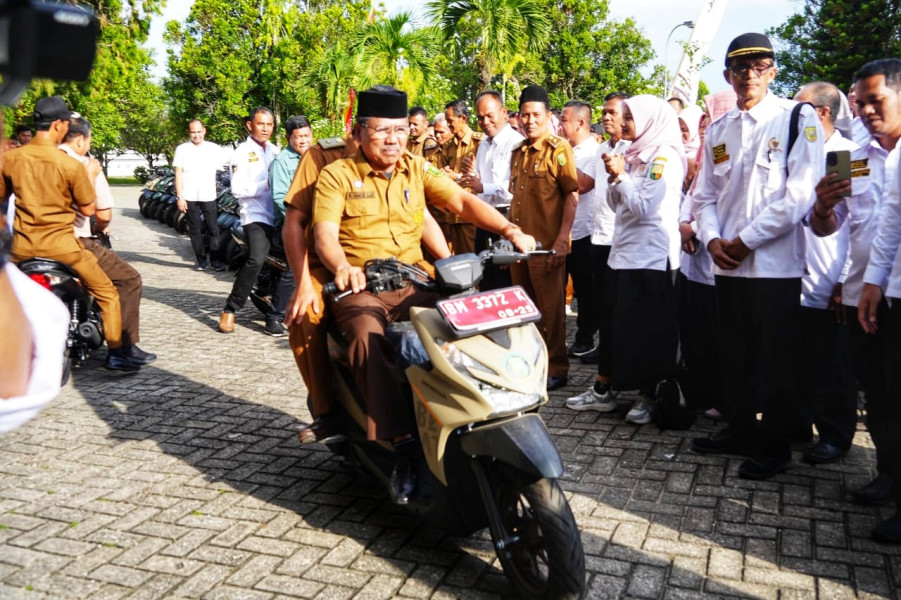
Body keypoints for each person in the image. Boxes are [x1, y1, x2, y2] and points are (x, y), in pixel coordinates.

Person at [312, 85, 536, 503]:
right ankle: (403, 447)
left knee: (467, 323)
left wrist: (509, 229)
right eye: (382, 131)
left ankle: (474, 413)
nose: (393, 139)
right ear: (360, 133)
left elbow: (462, 202)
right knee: (366, 339)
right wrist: (342, 266)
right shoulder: (337, 175)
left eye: (400, 130)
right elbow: (324, 233)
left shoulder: (416, 167)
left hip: (414, 280)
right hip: (362, 287)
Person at [690, 33, 825, 479]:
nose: (750, 74)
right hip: (728, 265)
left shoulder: (795, 118)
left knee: (776, 360)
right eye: (740, 68)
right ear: (727, 75)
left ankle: (775, 446)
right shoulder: (721, 129)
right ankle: (741, 429)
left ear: (772, 72)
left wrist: (746, 239)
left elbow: (800, 195)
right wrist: (712, 240)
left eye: (759, 66)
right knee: (735, 355)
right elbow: (705, 196)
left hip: (774, 265)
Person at [815, 58, 901, 541]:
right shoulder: (847, 156)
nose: (866, 110)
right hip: (862, 294)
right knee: (880, 394)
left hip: (896, 290)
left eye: (876, 100)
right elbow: (829, 226)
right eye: (860, 102)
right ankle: (888, 473)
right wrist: (822, 206)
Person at [566, 95, 683, 425]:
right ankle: (604, 390)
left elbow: (644, 207)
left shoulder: (664, 158)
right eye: (625, 116)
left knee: (646, 330)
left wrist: (621, 177)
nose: (624, 122)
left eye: (630, 117)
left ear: (649, 121)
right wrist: (616, 178)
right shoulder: (630, 153)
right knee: (614, 325)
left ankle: (646, 396)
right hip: (622, 254)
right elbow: (616, 205)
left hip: (650, 258)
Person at [2, 96, 135, 371]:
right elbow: (87, 209)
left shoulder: (11, 158)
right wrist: (89, 176)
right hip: (63, 248)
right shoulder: (70, 165)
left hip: (22, 249)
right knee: (107, 293)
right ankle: (116, 354)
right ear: (59, 125)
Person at [792, 82, 857, 465]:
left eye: (799, 108)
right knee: (797, 357)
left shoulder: (843, 155)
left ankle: (834, 434)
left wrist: (846, 278)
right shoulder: (799, 150)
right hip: (793, 271)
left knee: (831, 362)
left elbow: (855, 222)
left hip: (827, 273)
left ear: (822, 113)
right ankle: (798, 422)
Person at [60, 115, 156, 366]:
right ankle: (122, 348)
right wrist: (99, 230)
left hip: (31, 245)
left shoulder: (34, 160)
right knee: (128, 279)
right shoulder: (86, 165)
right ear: (81, 139)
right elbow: (102, 215)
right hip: (76, 242)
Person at [507, 85, 580, 391]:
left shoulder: (558, 149)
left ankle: (557, 368)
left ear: (549, 116)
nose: (530, 121)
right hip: (520, 249)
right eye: (525, 115)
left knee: (551, 312)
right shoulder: (518, 152)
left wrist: (563, 240)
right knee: (524, 312)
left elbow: (571, 195)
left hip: (546, 248)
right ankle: (532, 365)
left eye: (536, 115)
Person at [677, 89, 736, 419]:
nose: (704, 126)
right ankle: (701, 391)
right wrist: (684, 225)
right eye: (703, 120)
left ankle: (723, 397)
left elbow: (726, 203)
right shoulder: (707, 152)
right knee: (696, 331)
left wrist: (695, 228)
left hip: (719, 256)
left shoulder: (730, 152)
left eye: (709, 119)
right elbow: (695, 197)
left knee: (719, 336)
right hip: (694, 259)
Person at [578, 93, 631, 366]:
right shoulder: (601, 149)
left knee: (620, 300)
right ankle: (605, 347)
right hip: (598, 233)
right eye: (605, 112)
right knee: (602, 298)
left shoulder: (632, 149)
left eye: (613, 112)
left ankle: (619, 351)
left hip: (620, 237)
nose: (606, 117)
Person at [218, 108, 280, 334]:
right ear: (250, 125)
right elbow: (238, 189)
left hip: (279, 214)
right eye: (261, 124)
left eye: (269, 124)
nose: (265, 128)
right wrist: (268, 183)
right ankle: (231, 308)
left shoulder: (275, 150)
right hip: (255, 215)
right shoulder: (241, 153)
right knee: (255, 259)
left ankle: (278, 309)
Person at [460, 90, 524, 290]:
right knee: (486, 279)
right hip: (485, 217)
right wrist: (469, 175)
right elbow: (479, 178)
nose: (485, 122)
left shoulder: (515, 142)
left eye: (489, 116)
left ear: (504, 113)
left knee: (505, 280)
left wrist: (482, 186)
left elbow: (514, 189)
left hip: (507, 217)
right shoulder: (484, 144)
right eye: (480, 118)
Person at [265, 115, 314, 338]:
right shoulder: (282, 162)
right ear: (288, 138)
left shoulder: (316, 157)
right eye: (298, 137)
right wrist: (301, 220)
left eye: (306, 135)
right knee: (296, 268)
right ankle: (274, 317)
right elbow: (279, 197)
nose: (303, 140)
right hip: (289, 226)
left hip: (315, 223)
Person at [558, 100, 601, 358]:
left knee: (585, 290)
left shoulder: (594, 151)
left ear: (580, 123)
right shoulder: (566, 149)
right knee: (558, 286)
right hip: (560, 229)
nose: (560, 125)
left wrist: (561, 158)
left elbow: (583, 184)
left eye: (564, 120)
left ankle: (584, 338)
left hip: (585, 230)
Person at [173, 119, 229, 271]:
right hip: (189, 195)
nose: (196, 135)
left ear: (204, 131)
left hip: (209, 195)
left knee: (213, 228)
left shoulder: (214, 148)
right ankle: (201, 261)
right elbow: (178, 174)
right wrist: (180, 197)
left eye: (199, 132)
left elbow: (231, 161)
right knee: (195, 229)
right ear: (188, 133)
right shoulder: (182, 150)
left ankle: (216, 261)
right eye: (193, 132)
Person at [438, 100, 483, 255]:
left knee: (476, 259)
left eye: (450, 121)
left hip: (472, 213)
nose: (448, 124)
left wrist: (455, 176)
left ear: (463, 118)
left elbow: (483, 178)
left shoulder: (479, 143)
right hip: (453, 213)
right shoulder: (448, 146)